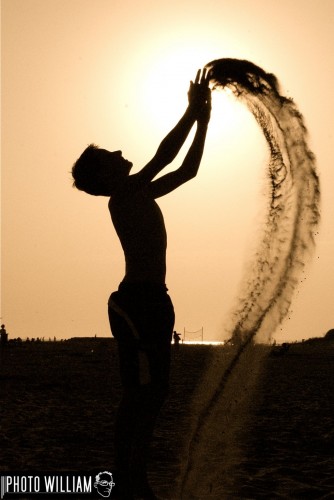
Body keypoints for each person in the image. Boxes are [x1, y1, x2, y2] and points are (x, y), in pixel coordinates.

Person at [72, 69, 211, 499]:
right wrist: (190, 111)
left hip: (151, 300)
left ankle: (132, 476)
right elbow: (164, 156)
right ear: (106, 177)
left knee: (152, 393)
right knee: (142, 394)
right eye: (110, 155)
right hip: (137, 301)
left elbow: (187, 170)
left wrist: (203, 122)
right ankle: (126, 476)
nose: (118, 150)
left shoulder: (139, 193)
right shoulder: (126, 195)